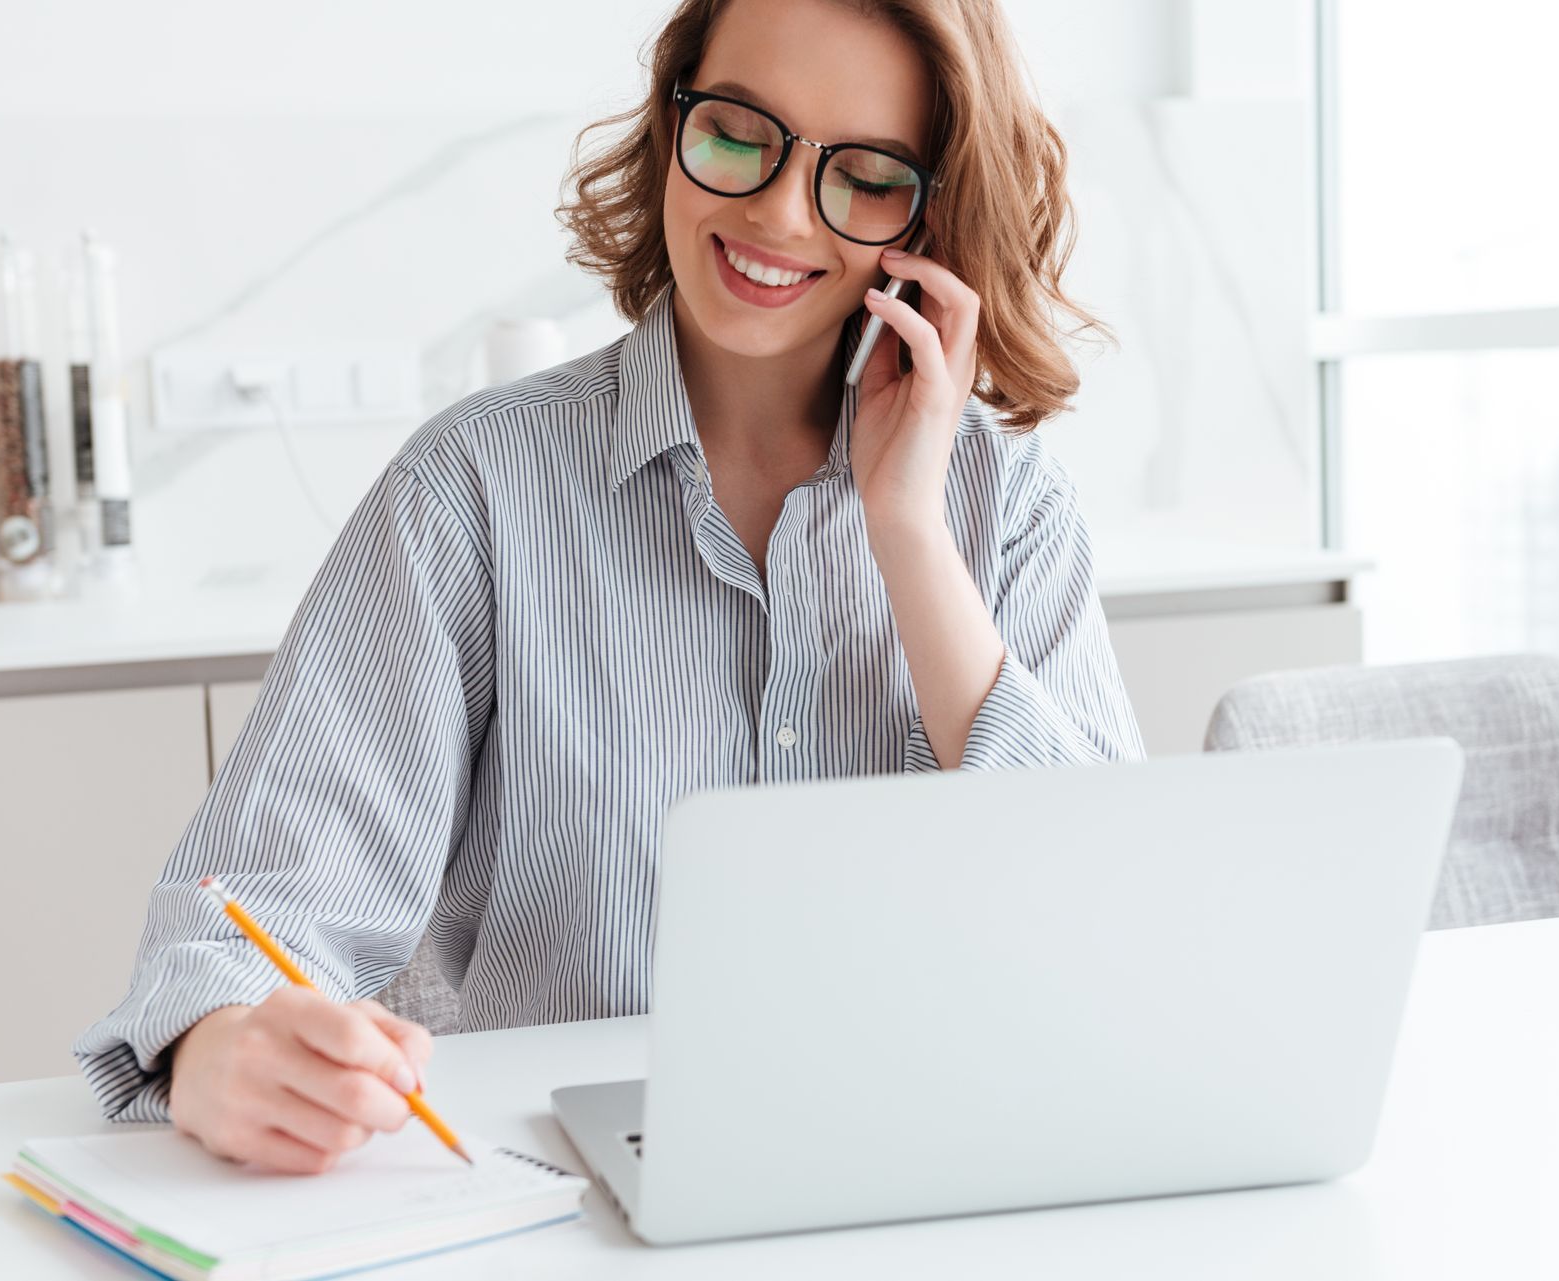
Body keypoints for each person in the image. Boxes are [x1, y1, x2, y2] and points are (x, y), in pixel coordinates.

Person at [74, 0, 1144, 1175]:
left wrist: (911, 538)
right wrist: (222, 1043)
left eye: (867, 174)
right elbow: (254, 912)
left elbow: (1110, 930)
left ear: (929, 213)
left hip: (940, 1179)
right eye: (740, 133)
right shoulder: (472, 490)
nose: (780, 212)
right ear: (670, 120)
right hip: (558, 1210)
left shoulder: (1010, 504)